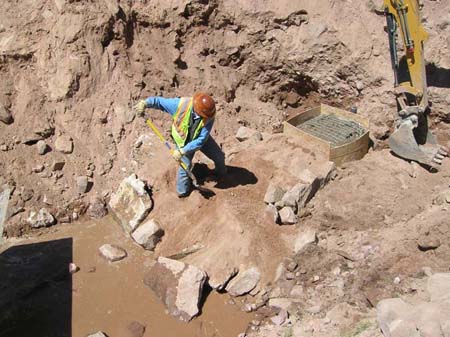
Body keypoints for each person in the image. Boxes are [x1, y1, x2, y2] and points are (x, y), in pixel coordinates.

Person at [135, 92, 226, 197]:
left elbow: (201, 140)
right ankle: (183, 193)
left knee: (219, 156)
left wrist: (183, 151)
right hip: (182, 140)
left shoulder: (209, 115)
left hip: (199, 139)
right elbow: (159, 102)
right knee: (185, 167)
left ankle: (221, 174)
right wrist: (145, 103)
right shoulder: (180, 105)